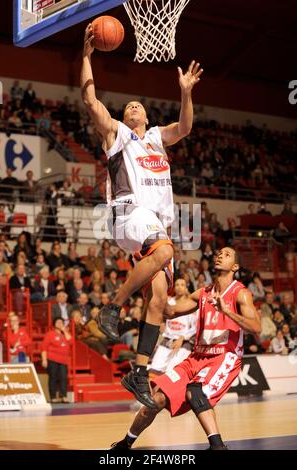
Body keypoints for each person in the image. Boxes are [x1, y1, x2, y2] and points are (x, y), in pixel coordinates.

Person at [81, 24, 203, 407]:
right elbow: (91, 101)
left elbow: (184, 127)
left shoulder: (155, 137)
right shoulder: (117, 133)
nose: (132, 107)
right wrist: (86, 57)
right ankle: (112, 308)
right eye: (127, 105)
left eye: (138, 105)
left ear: (147, 115)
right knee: (166, 253)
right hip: (129, 212)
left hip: (155, 224)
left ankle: (138, 372)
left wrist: (185, 94)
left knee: (159, 301)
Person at [110, 247, 261, 450]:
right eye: (219, 253)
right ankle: (125, 444)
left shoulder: (240, 293)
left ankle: (218, 447)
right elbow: (170, 311)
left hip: (224, 357)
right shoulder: (203, 292)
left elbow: (256, 327)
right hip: (197, 357)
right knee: (156, 399)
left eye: (226, 255)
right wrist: (151, 283)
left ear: (234, 267)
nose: (219, 255)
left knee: (195, 392)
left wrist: (227, 311)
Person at [149, 279, 197, 374]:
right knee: (154, 369)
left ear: (186, 288)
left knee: (171, 371)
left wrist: (183, 338)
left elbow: (195, 327)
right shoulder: (169, 302)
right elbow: (161, 316)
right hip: (167, 339)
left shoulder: (191, 303)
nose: (179, 287)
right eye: (177, 285)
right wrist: (162, 322)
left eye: (182, 285)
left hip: (184, 342)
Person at [41, 317, 72, 404]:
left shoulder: (65, 334)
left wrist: (65, 331)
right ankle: (53, 397)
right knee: (53, 378)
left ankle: (64, 396)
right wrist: (44, 360)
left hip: (63, 360)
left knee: (63, 378)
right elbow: (44, 347)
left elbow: (71, 342)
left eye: (61, 322)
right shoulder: (50, 334)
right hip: (52, 359)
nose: (59, 323)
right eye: (57, 322)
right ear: (54, 325)